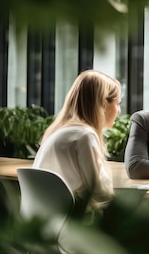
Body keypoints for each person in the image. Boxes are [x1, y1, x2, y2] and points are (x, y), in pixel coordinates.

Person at [33, 69, 121, 214]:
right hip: (75, 223)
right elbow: (101, 194)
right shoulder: (85, 137)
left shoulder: (57, 133)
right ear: (104, 105)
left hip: (46, 219)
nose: (118, 110)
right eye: (118, 103)